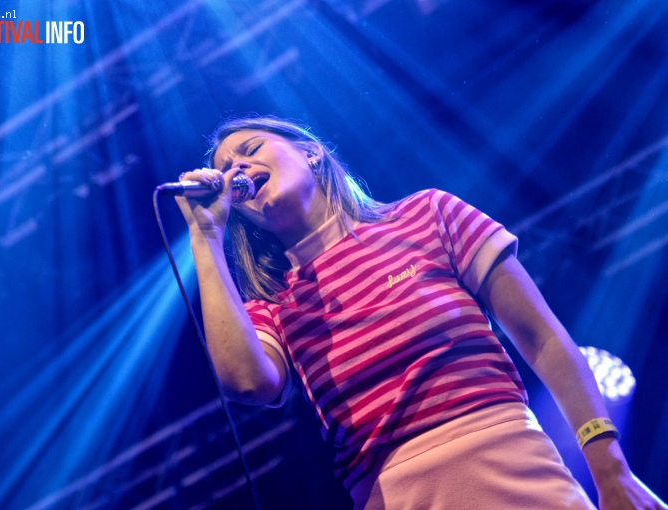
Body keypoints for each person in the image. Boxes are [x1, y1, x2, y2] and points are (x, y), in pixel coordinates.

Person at [173, 115, 666, 509]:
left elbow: (544, 340)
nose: (235, 169)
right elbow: (245, 382)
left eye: (250, 150)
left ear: (310, 151)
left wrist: (609, 468)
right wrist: (205, 235)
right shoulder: (274, 304)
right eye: (226, 166)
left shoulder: (430, 214)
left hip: (513, 466)